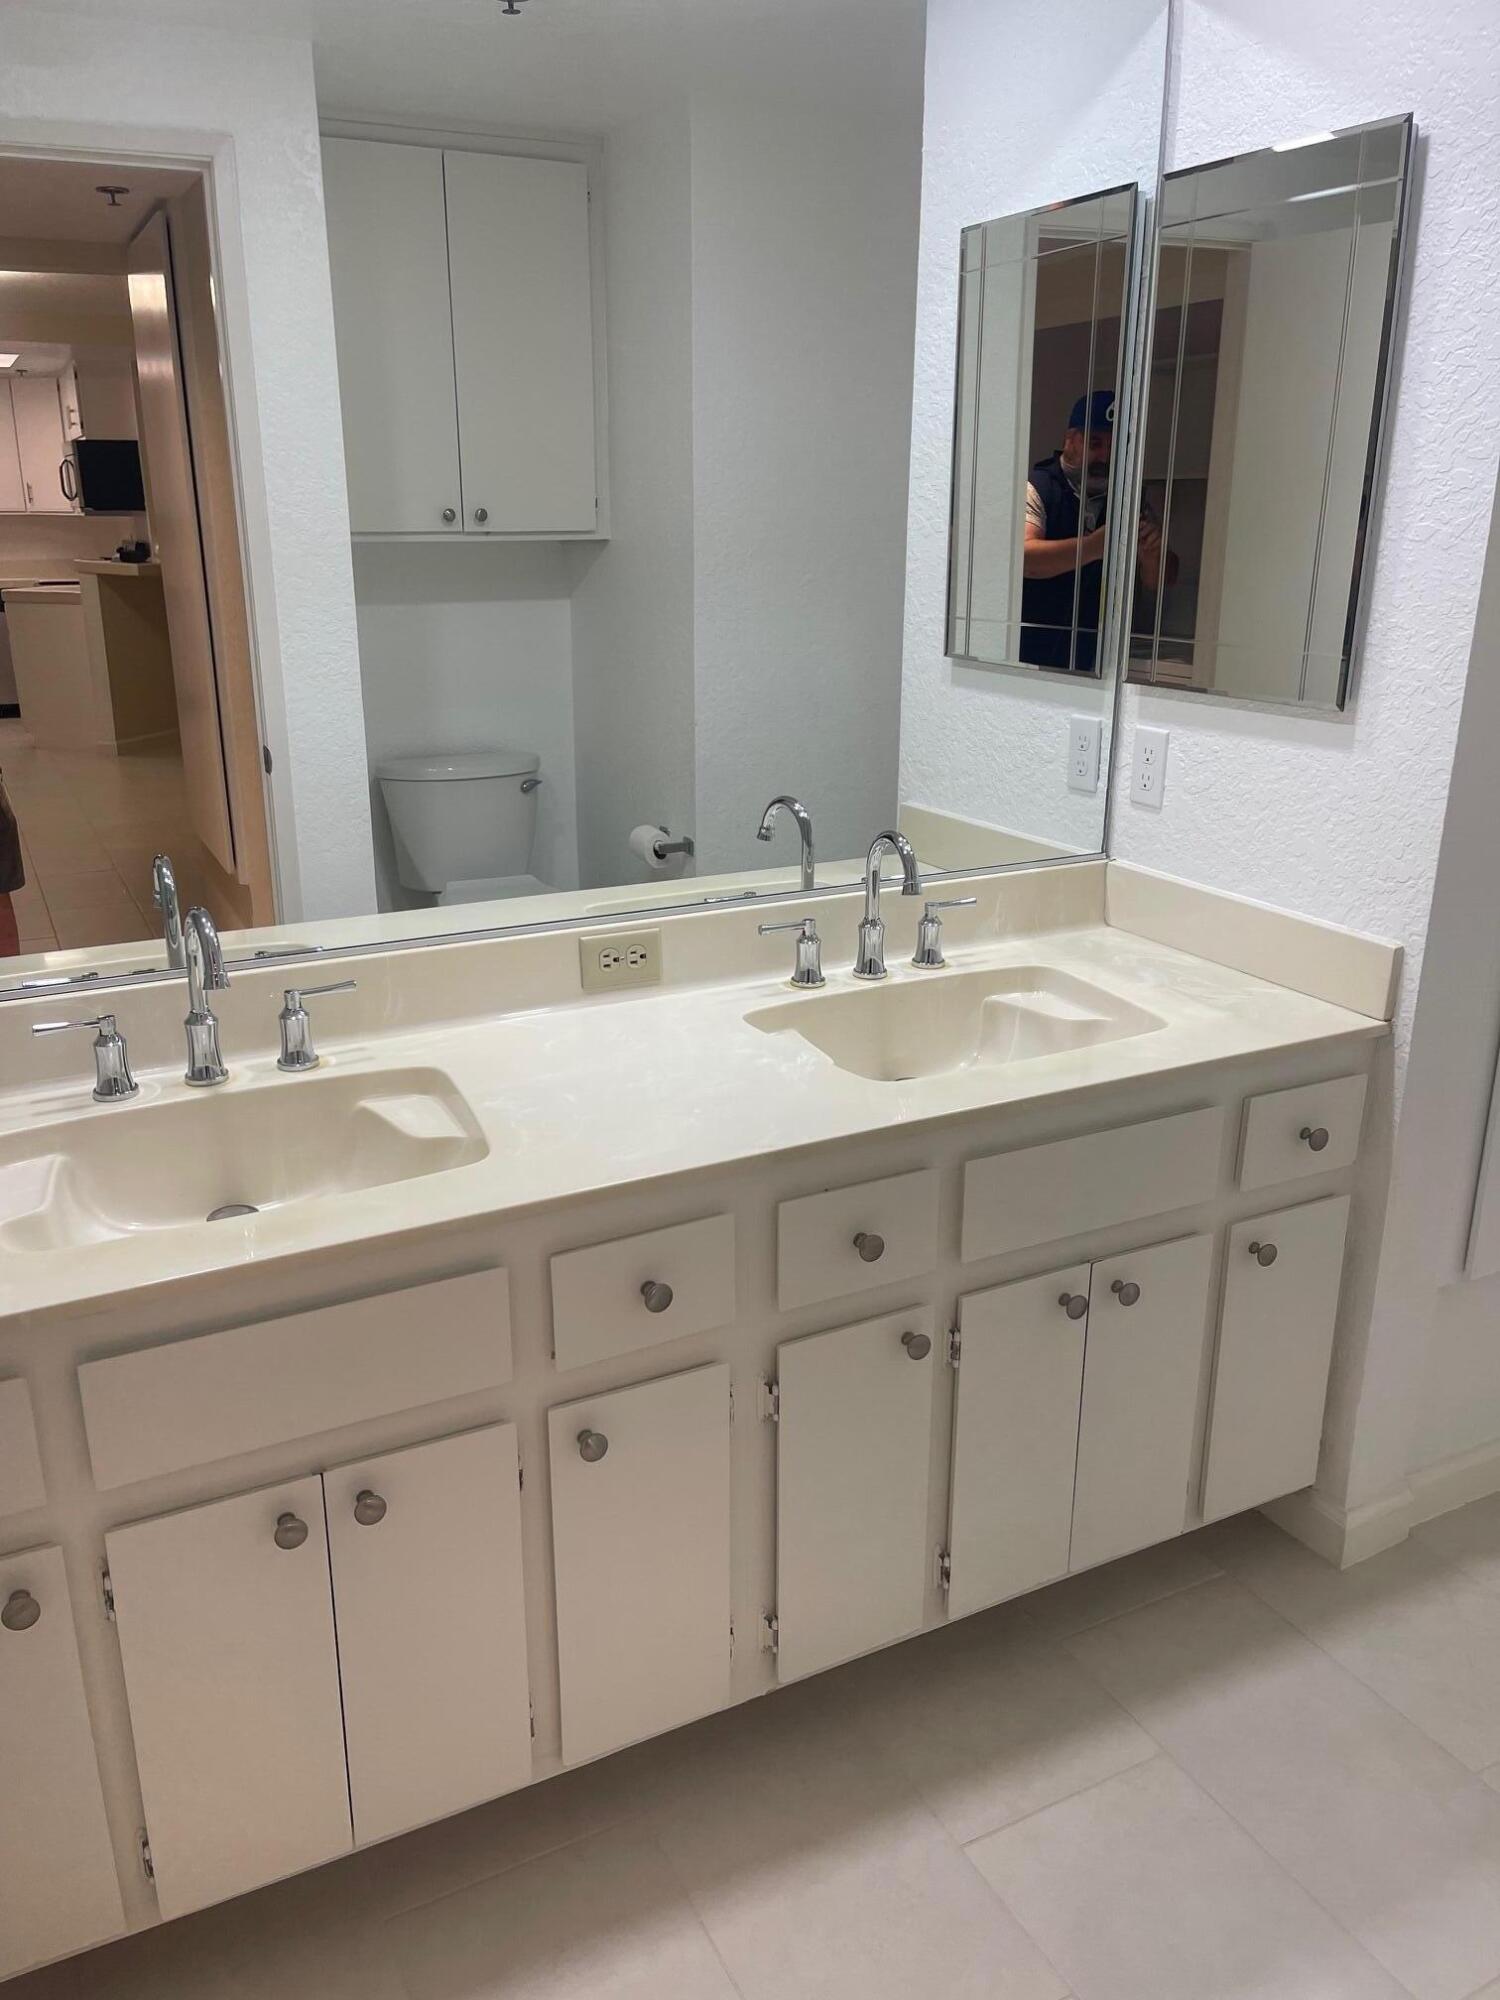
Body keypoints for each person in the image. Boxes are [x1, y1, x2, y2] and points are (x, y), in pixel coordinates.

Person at [1020, 388, 1168, 670]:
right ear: (1071, 440)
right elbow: (1025, 559)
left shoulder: (1128, 499)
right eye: (1096, 443)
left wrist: (1152, 555)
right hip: (1033, 653)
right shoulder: (1039, 487)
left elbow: (1157, 584)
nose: (1105, 456)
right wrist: (1094, 547)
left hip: (1101, 657)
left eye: (1115, 447)